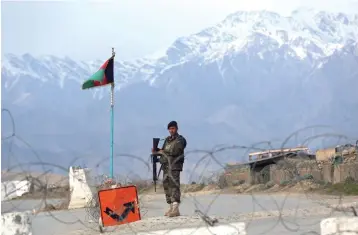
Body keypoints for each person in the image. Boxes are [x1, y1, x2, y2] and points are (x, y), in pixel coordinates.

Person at [152, 121, 187, 217]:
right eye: (170, 129)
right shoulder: (167, 140)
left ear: (176, 129)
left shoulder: (181, 140)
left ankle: (176, 209)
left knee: (174, 185)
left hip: (175, 166)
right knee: (167, 186)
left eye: (173, 128)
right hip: (166, 166)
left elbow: (176, 150)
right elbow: (163, 152)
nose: (171, 130)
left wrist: (162, 151)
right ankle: (171, 207)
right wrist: (157, 151)